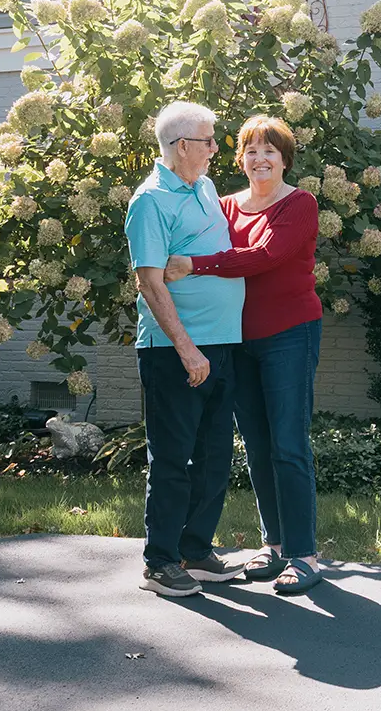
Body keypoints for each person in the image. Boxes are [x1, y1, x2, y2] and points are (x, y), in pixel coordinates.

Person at [165, 114, 326, 595]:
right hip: (238, 339)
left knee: (289, 445)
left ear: (285, 159)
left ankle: (304, 555)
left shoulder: (299, 204)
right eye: (251, 150)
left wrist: (195, 265)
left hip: (289, 335)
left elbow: (264, 257)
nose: (260, 159)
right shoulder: (226, 205)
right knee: (255, 445)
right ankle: (273, 546)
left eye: (270, 151)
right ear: (240, 158)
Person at [127, 100, 246, 599]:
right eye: (209, 141)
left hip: (222, 344)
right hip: (176, 351)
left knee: (215, 455)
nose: (217, 149)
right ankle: (160, 562)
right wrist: (187, 349)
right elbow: (150, 283)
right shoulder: (150, 201)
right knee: (173, 458)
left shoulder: (204, 187)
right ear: (181, 147)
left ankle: (195, 550)